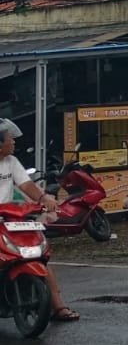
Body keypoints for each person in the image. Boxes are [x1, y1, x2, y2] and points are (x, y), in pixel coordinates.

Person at [0, 118, 79, 323]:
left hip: (9, 218)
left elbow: (26, 185)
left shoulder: (11, 162)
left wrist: (44, 199)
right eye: (10, 138)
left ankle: (57, 307)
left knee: (38, 257)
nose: (14, 142)